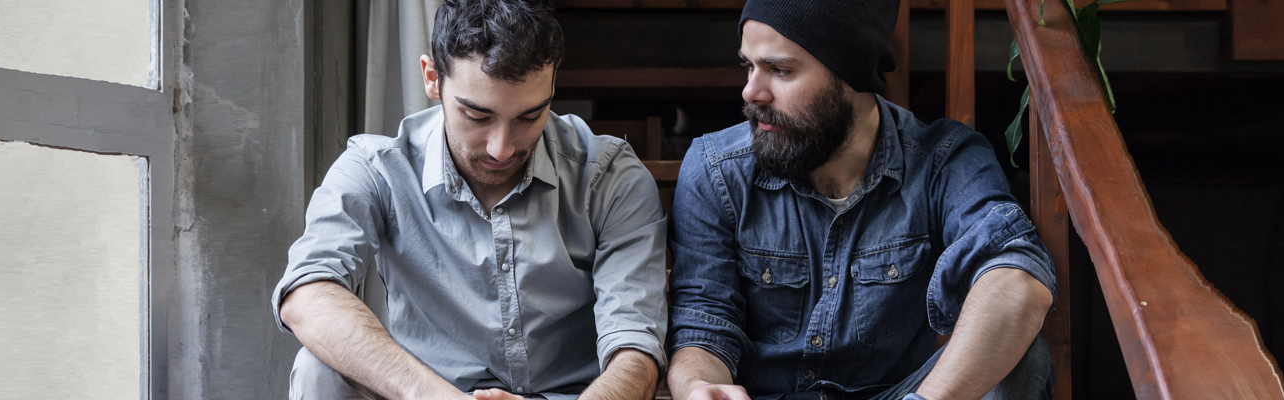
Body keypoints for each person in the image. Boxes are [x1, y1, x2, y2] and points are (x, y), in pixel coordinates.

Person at [271, 1, 667, 399]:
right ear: (432, 78)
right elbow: (308, 290)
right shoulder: (378, 168)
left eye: (529, 117)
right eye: (477, 116)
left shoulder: (610, 175)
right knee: (317, 366)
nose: (501, 148)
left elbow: (636, 349)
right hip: (430, 393)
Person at [663, 0, 1058, 399]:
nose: (751, 91)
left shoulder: (943, 162)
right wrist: (700, 387)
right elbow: (704, 324)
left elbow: (1017, 279)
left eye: (780, 70)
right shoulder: (717, 168)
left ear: (850, 75)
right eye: (749, 66)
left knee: (1022, 354)